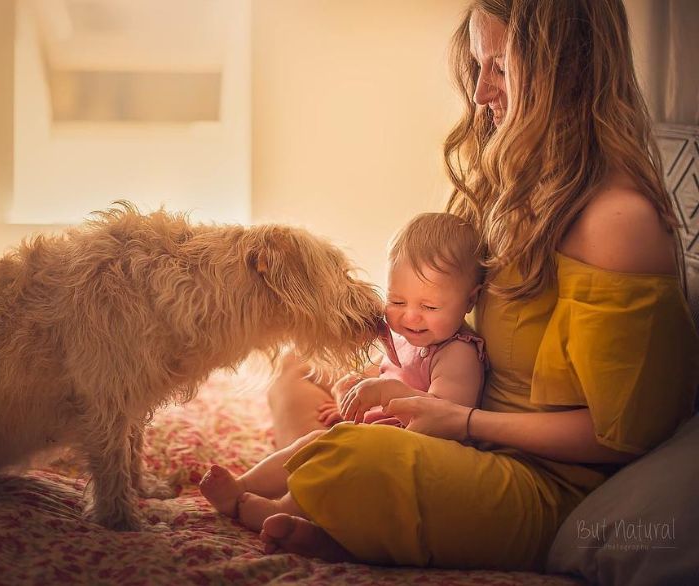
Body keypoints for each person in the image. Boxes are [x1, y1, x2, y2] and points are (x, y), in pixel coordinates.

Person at [253, 0, 699, 571]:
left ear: (566, 69)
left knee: (353, 457)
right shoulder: (522, 179)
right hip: (462, 425)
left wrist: (460, 421)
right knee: (299, 368)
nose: (482, 92)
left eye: (501, 68)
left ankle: (334, 498)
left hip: (541, 479)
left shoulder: (616, 223)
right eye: (478, 66)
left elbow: (625, 436)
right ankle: (335, 504)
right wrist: (393, 376)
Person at [199, 213, 487, 525]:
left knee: (332, 460)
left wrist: (388, 394)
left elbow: (447, 419)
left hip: (413, 458)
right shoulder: (413, 338)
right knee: (310, 444)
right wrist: (356, 393)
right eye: (397, 302)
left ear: (470, 300)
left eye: (430, 307)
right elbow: (389, 372)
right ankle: (244, 486)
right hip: (379, 437)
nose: (410, 318)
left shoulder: (458, 352)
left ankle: (284, 508)